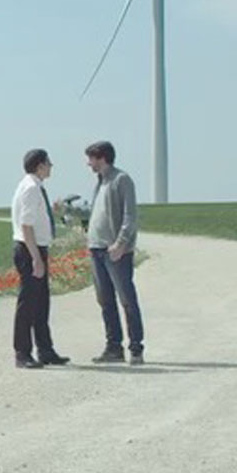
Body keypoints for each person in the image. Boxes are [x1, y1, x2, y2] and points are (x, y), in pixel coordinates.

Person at [85, 140, 145, 365]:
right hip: (96, 249)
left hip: (115, 251)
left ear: (102, 158)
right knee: (105, 301)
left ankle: (136, 348)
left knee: (127, 299)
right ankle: (113, 347)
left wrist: (121, 244)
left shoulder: (122, 180)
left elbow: (130, 216)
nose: (88, 163)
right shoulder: (100, 182)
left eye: (91, 158)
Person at [11, 148, 70, 369]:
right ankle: (22, 353)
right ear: (40, 165)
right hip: (30, 250)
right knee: (28, 304)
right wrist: (36, 258)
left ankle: (45, 350)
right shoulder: (31, 189)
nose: (51, 166)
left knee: (41, 302)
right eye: (48, 163)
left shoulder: (33, 186)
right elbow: (26, 226)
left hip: (35, 248)